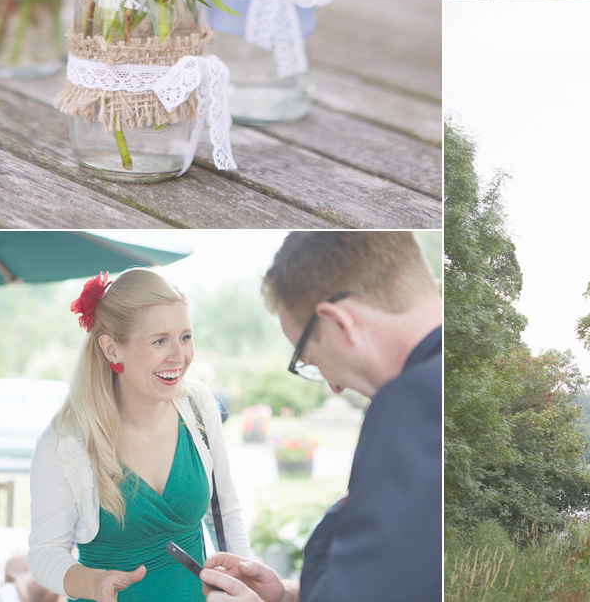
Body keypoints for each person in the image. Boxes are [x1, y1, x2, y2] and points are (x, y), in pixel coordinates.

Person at [197, 231, 442, 602]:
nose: (334, 387)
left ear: (339, 322)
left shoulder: (411, 404)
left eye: (310, 361)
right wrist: (289, 595)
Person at [28, 268, 249, 602]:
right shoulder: (65, 442)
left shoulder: (198, 405)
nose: (179, 357)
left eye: (185, 337)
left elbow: (226, 514)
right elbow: (44, 553)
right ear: (112, 349)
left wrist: (244, 585)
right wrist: (94, 583)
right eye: (160, 340)